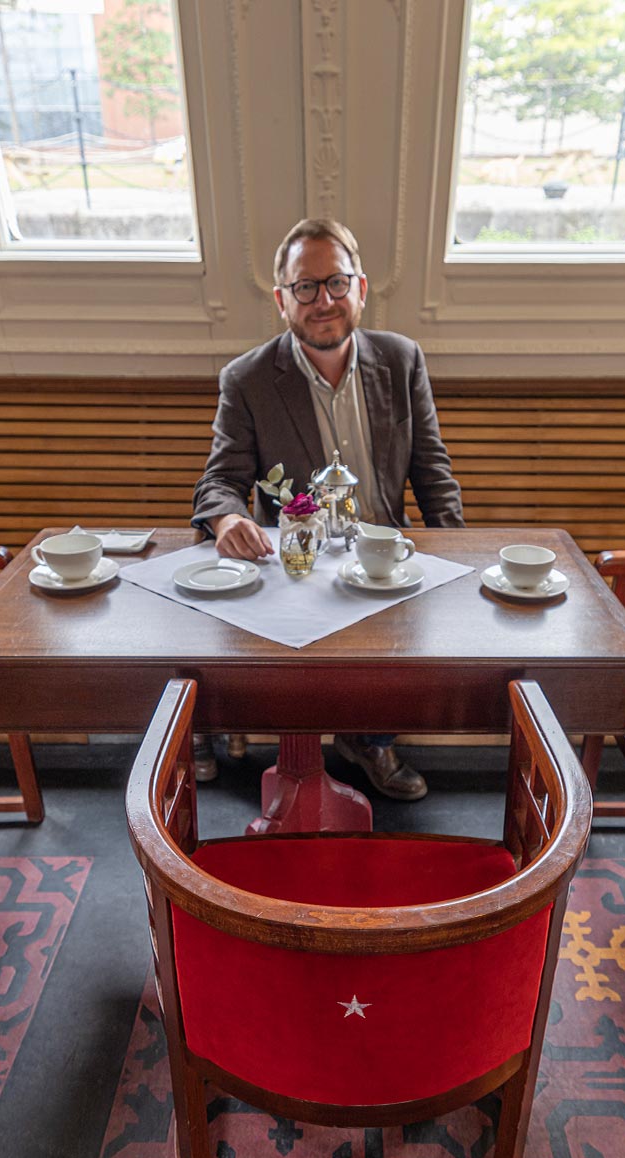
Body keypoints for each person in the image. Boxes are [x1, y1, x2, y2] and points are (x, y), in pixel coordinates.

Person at [189, 217, 464, 799]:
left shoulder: (401, 359)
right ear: (281, 301)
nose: (324, 301)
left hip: (384, 559)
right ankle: (286, 762)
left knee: (433, 631)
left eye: (336, 283)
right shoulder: (249, 378)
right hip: (299, 567)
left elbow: (432, 471)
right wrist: (228, 519)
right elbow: (219, 480)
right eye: (305, 287)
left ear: (361, 288)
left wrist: (459, 554)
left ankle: (369, 740)